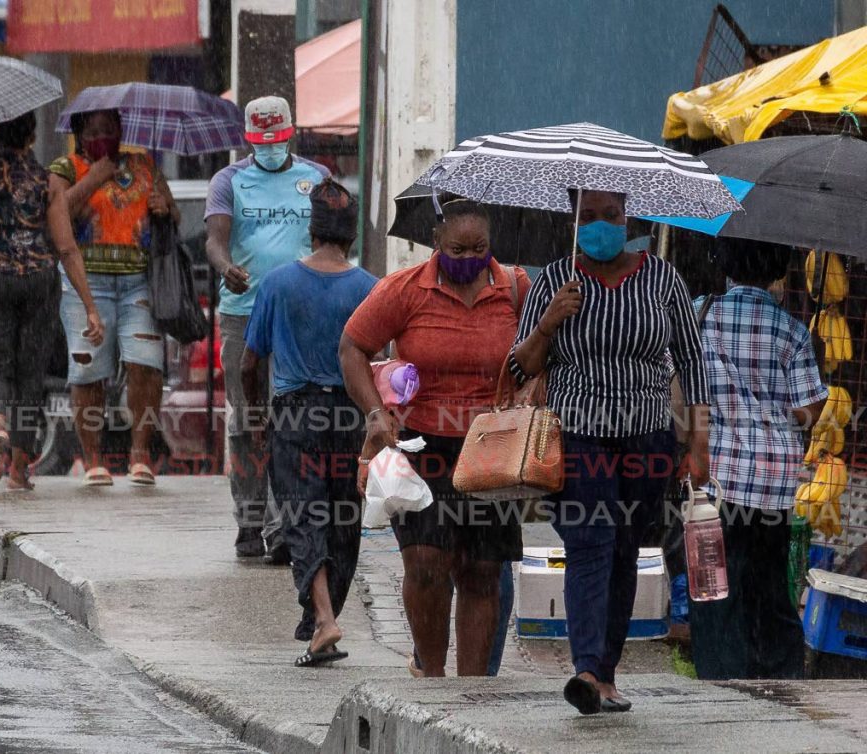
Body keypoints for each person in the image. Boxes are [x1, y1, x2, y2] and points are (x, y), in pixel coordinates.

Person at [510, 189, 710, 714]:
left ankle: (607, 672)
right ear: (575, 221)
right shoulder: (554, 279)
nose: (600, 226)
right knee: (590, 541)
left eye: (611, 216)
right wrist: (551, 320)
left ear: (629, 219)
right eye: (590, 217)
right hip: (579, 437)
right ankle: (587, 669)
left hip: (648, 441)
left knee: (625, 548)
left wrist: (699, 436)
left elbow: (691, 360)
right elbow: (519, 367)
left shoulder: (663, 278)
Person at [340, 198, 529, 677]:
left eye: (479, 248)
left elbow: (543, 352)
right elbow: (352, 347)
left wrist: (532, 385)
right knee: (426, 563)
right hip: (425, 445)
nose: (468, 257)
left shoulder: (515, 288)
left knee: (482, 570)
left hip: (492, 448)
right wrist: (374, 413)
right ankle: (432, 675)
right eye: (457, 248)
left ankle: (471, 689)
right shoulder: (405, 289)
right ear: (436, 240)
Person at [240, 179, 376, 665]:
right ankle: (323, 618)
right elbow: (385, 365)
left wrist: (258, 416)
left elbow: (248, 364)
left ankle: (322, 619)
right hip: (351, 417)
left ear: (312, 232)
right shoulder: (369, 289)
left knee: (302, 517)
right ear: (352, 236)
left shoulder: (277, 284)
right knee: (343, 521)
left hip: (296, 414)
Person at [689, 238, 827, 680]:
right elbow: (811, 409)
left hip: (713, 483)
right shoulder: (792, 331)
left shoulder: (699, 315)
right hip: (772, 485)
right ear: (778, 267)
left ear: (726, 262)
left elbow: (680, 384)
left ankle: (720, 680)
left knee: (714, 591)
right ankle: (778, 679)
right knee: (768, 586)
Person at [205, 96, 330, 560]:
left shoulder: (316, 179)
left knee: (290, 420)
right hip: (243, 313)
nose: (271, 149)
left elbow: (333, 239)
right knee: (248, 421)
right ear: (249, 139)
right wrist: (225, 267)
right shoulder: (229, 181)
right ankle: (249, 519)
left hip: (300, 314)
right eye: (263, 142)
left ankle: (283, 529)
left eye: (278, 141)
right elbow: (215, 239)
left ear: (291, 133)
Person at [0, 111, 103, 490]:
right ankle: (20, 468)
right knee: (30, 372)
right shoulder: (47, 181)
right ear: (32, 136)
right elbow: (67, 248)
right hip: (39, 281)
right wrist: (89, 306)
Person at [48, 108, 179, 486]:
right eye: (95, 130)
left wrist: (164, 208)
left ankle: (140, 455)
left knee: (146, 364)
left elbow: (173, 214)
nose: (104, 136)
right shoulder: (65, 167)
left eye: (112, 128)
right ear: (79, 133)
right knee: (89, 369)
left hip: (138, 282)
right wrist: (94, 177)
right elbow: (57, 213)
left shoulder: (143, 164)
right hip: (84, 283)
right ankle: (93, 460)